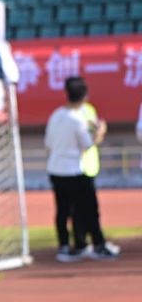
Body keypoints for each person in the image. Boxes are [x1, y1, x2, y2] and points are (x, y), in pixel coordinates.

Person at [45, 76, 120, 261]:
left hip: (56, 169)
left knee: (63, 210)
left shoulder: (56, 115)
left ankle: (66, 245)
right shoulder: (77, 120)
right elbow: (88, 145)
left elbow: (47, 143)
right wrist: (100, 132)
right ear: (85, 96)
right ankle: (97, 245)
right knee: (89, 209)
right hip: (74, 171)